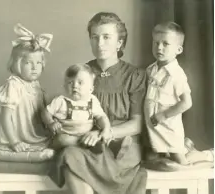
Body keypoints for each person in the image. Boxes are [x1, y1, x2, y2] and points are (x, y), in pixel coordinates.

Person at [49, 12, 147, 194]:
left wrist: (102, 133)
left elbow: (137, 124)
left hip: (121, 146)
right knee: (70, 155)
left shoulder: (134, 75)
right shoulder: (82, 73)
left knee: (74, 156)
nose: (100, 43)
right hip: (84, 142)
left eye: (106, 37)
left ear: (119, 43)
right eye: (95, 37)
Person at [0, 23, 53, 152]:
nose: (34, 67)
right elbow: (6, 117)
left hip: (37, 136)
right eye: (28, 63)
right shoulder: (13, 85)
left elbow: (42, 111)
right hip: (20, 139)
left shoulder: (35, 84)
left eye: (38, 63)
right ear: (18, 63)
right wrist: (14, 141)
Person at [41, 63, 118, 155]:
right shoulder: (61, 100)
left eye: (80, 83)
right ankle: (90, 145)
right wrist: (50, 122)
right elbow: (45, 112)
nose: (75, 86)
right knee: (63, 140)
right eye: (70, 82)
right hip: (66, 135)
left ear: (91, 89)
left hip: (87, 134)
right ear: (64, 86)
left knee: (99, 134)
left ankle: (113, 145)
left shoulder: (92, 100)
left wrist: (106, 129)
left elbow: (101, 117)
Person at [144, 22, 192, 165]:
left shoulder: (177, 74)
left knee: (180, 161)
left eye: (165, 44)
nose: (159, 47)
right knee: (153, 159)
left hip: (168, 124)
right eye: (156, 43)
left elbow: (187, 102)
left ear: (178, 49)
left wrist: (163, 115)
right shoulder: (150, 69)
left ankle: (206, 157)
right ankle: (186, 147)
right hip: (153, 126)